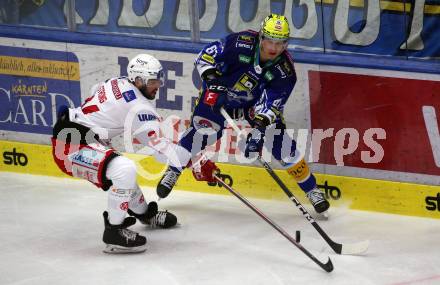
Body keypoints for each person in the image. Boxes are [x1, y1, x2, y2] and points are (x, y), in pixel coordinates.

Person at [156, 14, 330, 215]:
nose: (273, 48)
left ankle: (312, 190)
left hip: (253, 105)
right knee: (201, 132)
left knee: (279, 142)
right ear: (261, 37)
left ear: (286, 44)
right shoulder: (241, 43)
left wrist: (258, 131)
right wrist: (212, 80)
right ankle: (173, 171)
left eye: (280, 43)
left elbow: (271, 106)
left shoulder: (285, 71)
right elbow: (206, 55)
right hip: (220, 93)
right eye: (269, 41)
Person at [51, 54, 219, 253]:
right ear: (138, 80)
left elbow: (95, 91)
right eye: (153, 81)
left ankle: (145, 214)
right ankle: (113, 233)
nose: (159, 85)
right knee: (124, 170)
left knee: (122, 175)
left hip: (76, 137)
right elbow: (162, 151)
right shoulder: (139, 107)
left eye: (159, 79)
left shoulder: (117, 81)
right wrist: (196, 163)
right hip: (70, 146)